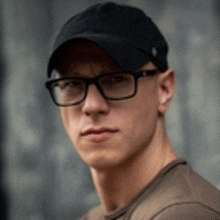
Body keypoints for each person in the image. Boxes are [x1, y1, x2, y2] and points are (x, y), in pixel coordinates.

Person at [45, 2, 220, 219]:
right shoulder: (95, 217)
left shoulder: (184, 213)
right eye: (72, 84)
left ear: (164, 89)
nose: (91, 106)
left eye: (116, 79)